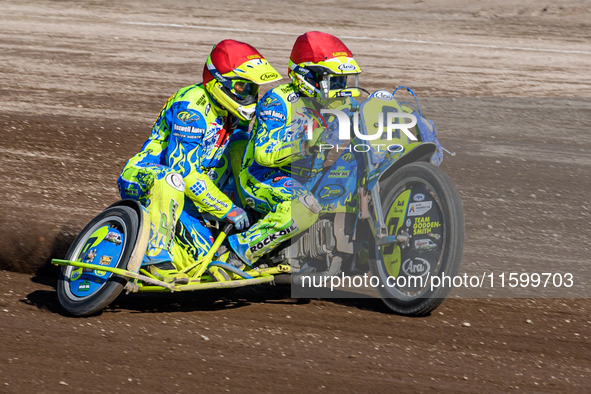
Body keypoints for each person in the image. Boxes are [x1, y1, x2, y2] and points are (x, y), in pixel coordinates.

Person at [117, 39, 282, 283]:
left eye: (253, 89)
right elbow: (183, 172)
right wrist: (227, 209)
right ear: (219, 81)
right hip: (148, 178)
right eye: (241, 88)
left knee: (200, 261)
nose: (249, 96)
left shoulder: (234, 113)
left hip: (189, 194)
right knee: (170, 179)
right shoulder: (192, 108)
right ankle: (154, 259)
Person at [225, 31, 362, 268]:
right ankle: (238, 252)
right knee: (305, 205)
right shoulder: (277, 100)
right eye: (335, 81)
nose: (341, 88)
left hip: (306, 178)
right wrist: (307, 144)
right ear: (309, 77)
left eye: (344, 80)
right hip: (260, 177)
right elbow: (264, 154)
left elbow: (365, 118)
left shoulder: (339, 103)